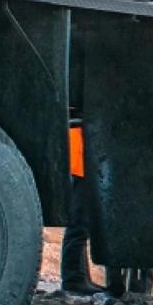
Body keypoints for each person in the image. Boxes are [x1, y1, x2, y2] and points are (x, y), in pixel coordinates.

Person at [60, 123, 105, 295]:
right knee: (79, 221)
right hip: (80, 156)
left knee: (81, 221)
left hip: (81, 155)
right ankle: (73, 279)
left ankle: (80, 277)